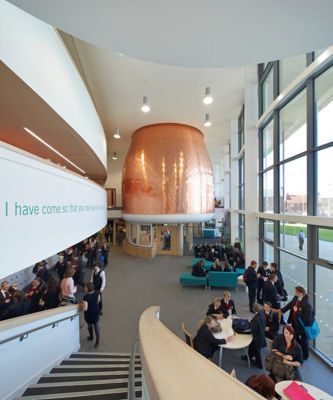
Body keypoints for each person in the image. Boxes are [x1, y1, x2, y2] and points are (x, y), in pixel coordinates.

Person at [281, 286, 314, 360]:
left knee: (304, 341)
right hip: (294, 323)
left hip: (302, 326)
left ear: (300, 293)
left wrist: (297, 311)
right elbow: (290, 305)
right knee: (295, 337)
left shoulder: (307, 304)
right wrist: (282, 310)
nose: (295, 293)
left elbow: (307, 318)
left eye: (296, 292)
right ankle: (298, 350)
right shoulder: (296, 298)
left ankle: (305, 356)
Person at [243, 303, 266, 368]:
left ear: (254, 309)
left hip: (257, 338)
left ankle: (259, 364)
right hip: (261, 335)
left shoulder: (256, 319)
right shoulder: (262, 314)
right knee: (251, 346)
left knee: (257, 351)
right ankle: (249, 356)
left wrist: (250, 321)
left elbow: (253, 329)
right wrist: (253, 319)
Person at [82, 282, 100, 348]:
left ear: (88, 289)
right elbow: (98, 300)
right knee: (96, 326)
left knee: (89, 325)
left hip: (89, 314)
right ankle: (98, 340)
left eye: (86, 287)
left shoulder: (86, 297)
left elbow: (85, 309)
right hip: (96, 312)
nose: (84, 288)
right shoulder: (97, 292)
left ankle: (91, 336)